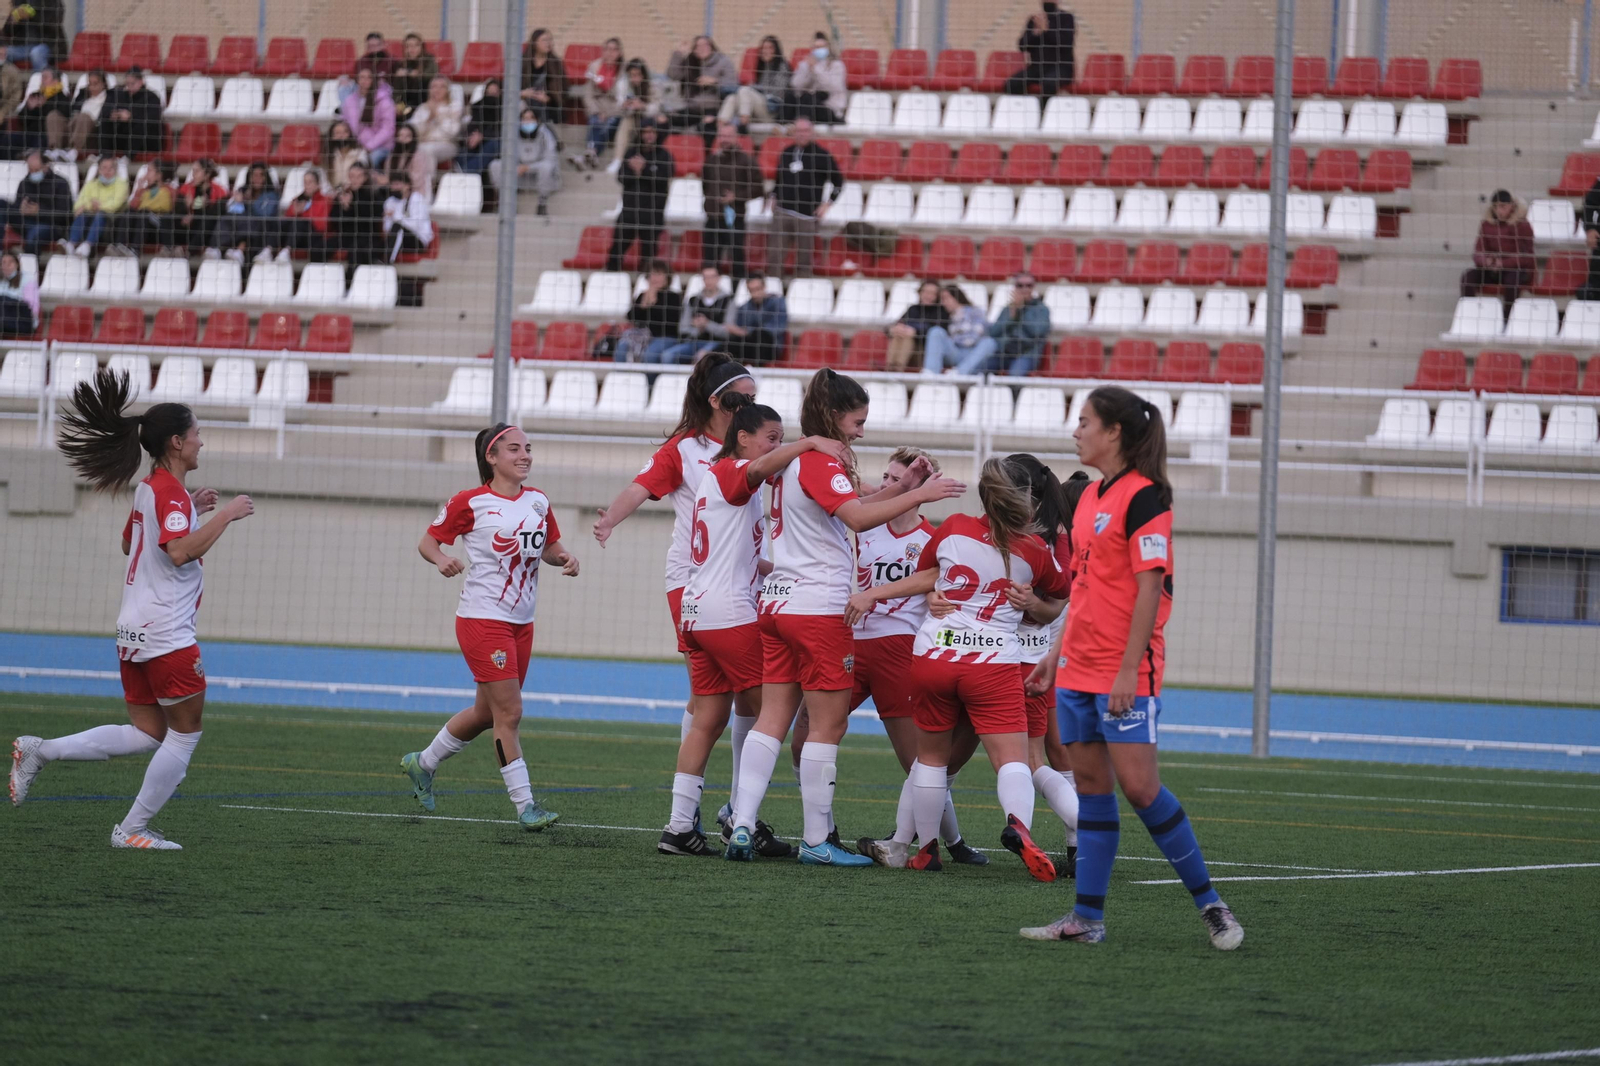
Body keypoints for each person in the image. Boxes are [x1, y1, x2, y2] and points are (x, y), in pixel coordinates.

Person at [1020, 385, 1244, 950]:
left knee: (1143, 791)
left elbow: (1150, 588)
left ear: (1113, 432)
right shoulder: (1091, 496)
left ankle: (1212, 905)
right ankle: (1086, 920)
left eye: (1084, 421)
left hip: (1123, 675)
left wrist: (1126, 671)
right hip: (1074, 672)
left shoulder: (1147, 498)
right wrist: (1054, 656)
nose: (1077, 431)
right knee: (1093, 794)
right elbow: (1086, 589)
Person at [724, 368, 965, 866]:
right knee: (826, 727)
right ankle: (817, 841)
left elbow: (847, 505)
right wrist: (919, 495)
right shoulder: (821, 459)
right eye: (857, 421)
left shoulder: (792, 460)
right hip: (818, 608)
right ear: (835, 416)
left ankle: (741, 824)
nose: (861, 431)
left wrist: (907, 486)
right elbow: (854, 517)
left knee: (772, 719)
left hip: (779, 602)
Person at [11, 369, 254, 849]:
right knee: (184, 736)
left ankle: (40, 751)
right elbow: (179, 551)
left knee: (148, 733)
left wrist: (191, 506)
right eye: (198, 435)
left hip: (133, 630)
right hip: (166, 633)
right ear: (178, 442)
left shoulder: (153, 488)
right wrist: (225, 514)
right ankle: (132, 830)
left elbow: (131, 542)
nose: (202, 443)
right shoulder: (167, 493)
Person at [845, 456, 1070, 879]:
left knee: (930, 760)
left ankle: (924, 849)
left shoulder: (952, 528)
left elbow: (932, 573)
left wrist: (880, 593)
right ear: (1024, 500)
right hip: (993, 664)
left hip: (935, 655)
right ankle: (1019, 826)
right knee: (1014, 760)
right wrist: (1033, 604)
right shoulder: (1036, 550)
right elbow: (1057, 602)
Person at [661, 405, 846, 855]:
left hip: (697, 608)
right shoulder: (730, 469)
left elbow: (743, 553)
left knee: (710, 719)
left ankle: (680, 827)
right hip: (729, 611)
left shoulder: (717, 479)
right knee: (773, 716)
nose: (777, 446)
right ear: (742, 437)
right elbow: (760, 467)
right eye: (772, 436)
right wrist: (809, 443)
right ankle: (738, 814)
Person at [593, 356, 763, 844]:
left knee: (710, 702)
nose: (751, 407)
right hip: (700, 582)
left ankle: (687, 821)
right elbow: (640, 486)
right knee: (760, 701)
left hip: (740, 580)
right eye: (742, 399)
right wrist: (609, 520)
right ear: (716, 401)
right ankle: (738, 810)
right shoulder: (687, 450)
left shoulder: (752, 445)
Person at [401, 423, 579, 830]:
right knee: (510, 712)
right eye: (514, 449)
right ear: (491, 457)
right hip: (483, 620)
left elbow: (549, 547)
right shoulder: (470, 502)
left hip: (522, 623)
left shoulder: (538, 501)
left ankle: (422, 763)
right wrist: (441, 558)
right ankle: (525, 806)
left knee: (487, 712)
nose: (525, 456)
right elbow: (428, 542)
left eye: (528, 448)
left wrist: (565, 557)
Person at [849, 449, 988, 869]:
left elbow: (939, 584)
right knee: (804, 737)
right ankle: (818, 834)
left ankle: (951, 841)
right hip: (851, 645)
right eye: (887, 477)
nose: (890, 485)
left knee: (920, 762)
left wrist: (936, 598)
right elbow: (852, 490)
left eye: (899, 478)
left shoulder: (935, 539)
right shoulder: (861, 525)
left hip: (898, 653)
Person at [766, 117, 841, 279]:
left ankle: (801, 291)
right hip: (782, 212)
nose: (802, 134)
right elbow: (779, 178)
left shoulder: (822, 155)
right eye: (798, 131)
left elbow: (838, 182)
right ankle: (773, 288)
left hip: (807, 215)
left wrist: (827, 204)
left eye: (805, 131)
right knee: (775, 256)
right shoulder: (786, 153)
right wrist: (773, 195)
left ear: (812, 133)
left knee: (804, 260)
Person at [604, 118, 673, 273]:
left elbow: (663, 179)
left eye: (652, 132)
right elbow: (621, 177)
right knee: (616, 249)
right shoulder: (631, 152)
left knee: (649, 254)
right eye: (646, 132)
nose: (649, 135)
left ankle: (646, 283)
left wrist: (644, 170)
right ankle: (611, 278)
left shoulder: (664, 156)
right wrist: (636, 172)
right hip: (629, 211)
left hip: (652, 213)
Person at [701, 122, 763, 279]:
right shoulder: (711, 160)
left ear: (736, 138)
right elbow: (705, 184)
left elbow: (758, 188)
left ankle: (737, 290)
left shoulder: (746, 161)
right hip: (713, 216)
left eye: (728, 135)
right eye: (722, 135)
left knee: (736, 256)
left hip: (735, 217)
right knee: (710, 258)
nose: (725, 139)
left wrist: (736, 196)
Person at [1460, 189, 1534, 309]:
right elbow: (1478, 250)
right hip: (1492, 269)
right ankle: (1470, 312)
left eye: (1503, 206)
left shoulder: (1522, 225)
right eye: (1495, 207)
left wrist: (1503, 263)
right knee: (1468, 277)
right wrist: (1486, 261)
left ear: (1511, 206)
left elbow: (1527, 257)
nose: (1499, 211)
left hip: (1515, 269)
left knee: (1512, 282)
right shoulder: (1487, 225)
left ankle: (1507, 318)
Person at [969, 273, 1050, 376]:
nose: (1024, 289)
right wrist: (1012, 316)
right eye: (1020, 285)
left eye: (1028, 285)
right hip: (1005, 352)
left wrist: (1021, 310)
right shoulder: (1009, 309)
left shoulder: (1041, 309)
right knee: (979, 371)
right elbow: (993, 332)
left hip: (1027, 354)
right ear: (1015, 287)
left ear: (1034, 287)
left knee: (1015, 376)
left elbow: (1037, 331)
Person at [489, 106, 560, 217]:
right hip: (519, 174)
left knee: (546, 167)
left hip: (539, 175)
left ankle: (542, 202)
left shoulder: (545, 134)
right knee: (495, 165)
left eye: (531, 118)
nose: (527, 121)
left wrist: (528, 167)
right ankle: (506, 202)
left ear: (537, 120)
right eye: (524, 118)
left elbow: (551, 159)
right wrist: (517, 167)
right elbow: (507, 155)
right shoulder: (513, 134)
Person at [0, 147, 71, 253]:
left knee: (34, 235)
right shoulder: (25, 182)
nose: (33, 173)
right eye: (30, 170)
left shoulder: (60, 183)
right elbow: (16, 205)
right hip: (26, 222)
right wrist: (20, 209)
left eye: (36, 170)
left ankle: (30, 266)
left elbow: (65, 215)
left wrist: (39, 211)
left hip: (50, 226)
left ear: (46, 167)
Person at [667, 36, 736, 145]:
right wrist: (678, 54)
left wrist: (714, 81)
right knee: (665, 120)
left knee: (706, 128)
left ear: (712, 47)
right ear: (694, 50)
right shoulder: (691, 62)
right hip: (693, 108)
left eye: (705, 45)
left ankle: (707, 158)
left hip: (714, 108)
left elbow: (732, 84)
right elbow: (673, 75)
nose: (702, 48)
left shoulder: (723, 61)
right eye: (698, 46)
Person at [208, 161, 278, 264]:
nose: (257, 179)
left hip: (261, 228)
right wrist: (237, 202)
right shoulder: (243, 190)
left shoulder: (271, 195)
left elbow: (265, 214)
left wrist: (248, 203)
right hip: (240, 224)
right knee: (226, 218)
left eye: (260, 176)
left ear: (265, 178)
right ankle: (216, 249)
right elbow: (232, 211)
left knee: (249, 221)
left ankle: (240, 250)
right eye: (254, 175)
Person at [662, 265, 732, 363]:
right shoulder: (693, 300)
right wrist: (698, 329)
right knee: (668, 355)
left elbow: (728, 331)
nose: (709, 280)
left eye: (712, 277)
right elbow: (682, 328)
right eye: (705, 277)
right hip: (693, 341)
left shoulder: (728, 300)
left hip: (717, 343)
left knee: (702, 357)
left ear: (718, 278)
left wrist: (707, 324)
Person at [62, 154, 127, 257]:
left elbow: (115, 205)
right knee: (82, 214)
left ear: (116, 170)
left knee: (100, 214)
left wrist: (97, 206)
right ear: (99, 170)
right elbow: (79, 203)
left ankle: (87, 245)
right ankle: (71, 244)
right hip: (89, 220)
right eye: (104, 168)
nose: (107, 171)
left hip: (110, 224)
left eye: (111, 168)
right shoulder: (91, 184)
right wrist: (90, 206)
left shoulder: (122, 185)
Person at [1006, 1, 1075, 97]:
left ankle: (1043, 110)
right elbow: (1022, 46)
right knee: (1013, 83)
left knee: (1049, 83)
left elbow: (1066, 43)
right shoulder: (1035, 19)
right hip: (1037, 68)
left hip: (1060, 68)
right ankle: (1026, 108)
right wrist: (1035, 33)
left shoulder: (1066, 18)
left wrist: (1046, 30)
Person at [572, 37, 623, 169]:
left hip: (615, 111)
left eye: (614, 50)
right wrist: (597, 111)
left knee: (607, 124)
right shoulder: (594, 66)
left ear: (620, 52)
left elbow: (623, 99)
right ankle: (592, 153)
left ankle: (589, 153)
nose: (610, 53)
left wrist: (608, 113)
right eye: (607, 49)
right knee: (596, 120)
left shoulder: (624, 71)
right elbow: (587, 94)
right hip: (598, 108)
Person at [619, 259, 684, 362]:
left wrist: (653, 304)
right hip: (643, 336)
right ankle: (620, 377)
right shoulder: (643, 295)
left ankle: (649, 378)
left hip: (665, 337)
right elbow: (630, 317)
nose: (655, 278)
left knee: (650, 353)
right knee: (621, 347)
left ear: (667, 277)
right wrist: (643, 305)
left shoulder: (674, 297)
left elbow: (671, 321)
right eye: (653, 274)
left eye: (659, 274)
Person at [107, 158, 175, 256]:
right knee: (129, 212)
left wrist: (144, 207)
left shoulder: (169, 190)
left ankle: (135, 250)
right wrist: (138, 190)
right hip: (143, 224)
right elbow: (133, 207)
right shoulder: (143, 191)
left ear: (159, 175)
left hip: (158, 227)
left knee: (144, 213)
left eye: (149, 171)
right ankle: (119, 245)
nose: (145, 175)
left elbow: (164, 207)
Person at [407, 75, 464, 189]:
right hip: (422, 144)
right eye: (434, 86)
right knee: (412, 150)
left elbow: (452, 132)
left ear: (447, 90)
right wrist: (428, 119)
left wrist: (436, 116)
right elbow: (412, 131)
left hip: (447, 145)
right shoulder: (423, 108)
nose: (437, 90)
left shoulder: (454, 106)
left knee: (426, 150)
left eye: (441, 87)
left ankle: (426, 189)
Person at [719, 35, 788, 128]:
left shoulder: (782, 66)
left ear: (776, 50)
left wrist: (754, 88)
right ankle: (720, 127)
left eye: (770, 48)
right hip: (757, 107)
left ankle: (743, 126)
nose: (765, 51)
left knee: (745, 90)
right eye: (763, 48)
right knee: (732, 97)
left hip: (771, 110)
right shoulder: (762, 67)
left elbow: (777, 91)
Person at [923, 285, 993, 374]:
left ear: (956, 297)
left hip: (974, 354)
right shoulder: (946, 316)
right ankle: (930, 372)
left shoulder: (976, 312)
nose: (944, 303)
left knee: (989, 343)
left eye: (946, 298)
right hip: (956, 353)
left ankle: (960, 373)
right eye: (942, 300)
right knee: (936, 331)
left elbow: (972, 339)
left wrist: (956, 337)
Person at [607, 59, 659, 175]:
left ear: (643, 75)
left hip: (650, 119)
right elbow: (618, 107)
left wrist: (643, 106)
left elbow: (657, 108)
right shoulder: (623, 85)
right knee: (626, 122)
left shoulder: (653, 85)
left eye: (637, 75)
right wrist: (625, 106)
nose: (634, 78)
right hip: (631, 117)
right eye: (632, 75)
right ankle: (618, 159)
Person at [328, 160, 385, 266]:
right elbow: (334, 221)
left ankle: (351, 281)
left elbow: (371, 221)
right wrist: (344, 208)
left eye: (358, 176)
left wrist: (351, 205)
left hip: (368, 237)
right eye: (352, 176)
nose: (355, 180)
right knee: (320, 247)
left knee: (356, 250)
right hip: (346, 236)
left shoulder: (374, 196)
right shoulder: (343, 195)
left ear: (365, 177)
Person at [98, 66, 162, 158]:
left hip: (144, 139)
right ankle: (104, 155)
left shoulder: (151, 97)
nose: (129, 87)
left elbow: (153, 118)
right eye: (127, 84)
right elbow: (104, 111)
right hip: (123, 135)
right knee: (105, 123)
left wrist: (131, 117)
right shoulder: (119, 95)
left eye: (132, 84)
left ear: (141, 82)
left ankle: (127, 158)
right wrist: (113, 114)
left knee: (140, 125)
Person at [887, 280, 949, 371]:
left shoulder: (941, 312)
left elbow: (939, 333)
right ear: (920, 292)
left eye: (932, 293)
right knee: (898, 335)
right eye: (925, 292)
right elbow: (899, 323)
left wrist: (915, 332)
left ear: (937, 296)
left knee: (907, 338)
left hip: (925, 353)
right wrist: (894, 329)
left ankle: (896, 369)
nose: (928, 295)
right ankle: (891, 366)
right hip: (905, 349)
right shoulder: (913, 309)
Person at [785, 33, 847, 124]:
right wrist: (808, 70)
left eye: (822, 47)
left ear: (828, 48)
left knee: (810, 98)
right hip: (806, 105)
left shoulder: (837, 65)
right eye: (816, 47)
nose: (819, 50)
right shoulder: (805, 64)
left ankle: (799, 125)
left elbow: (832, 88)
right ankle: (782, 126)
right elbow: (795, 85)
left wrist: (816, 69)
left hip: (829, 107)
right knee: (791, 97)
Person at [272, 167, 330, 262]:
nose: (307, 186)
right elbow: (287, 222)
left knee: (300, 222)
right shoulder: (298, 200)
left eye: (310, 182)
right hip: (296, 236)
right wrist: (295, 212)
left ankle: (287, 251)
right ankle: (268, 249)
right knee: (280, 222)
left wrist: (303, 213)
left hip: (313, 237)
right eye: (305, 183)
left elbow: (321, 226)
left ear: (318, 184)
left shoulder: (325, 200)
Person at [342, 67, 396, 170]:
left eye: (368, 78)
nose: (364, 80)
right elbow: (346, 123)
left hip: (381, 146)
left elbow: (388, 129)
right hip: (358, 144)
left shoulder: (384, 101)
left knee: (370, 159)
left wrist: (369, 146)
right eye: (362, 77)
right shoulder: (350, 100)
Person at [724, 275, 786, 364]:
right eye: (752, 290)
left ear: (764, 287)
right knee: (732, 342)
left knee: (761, 336)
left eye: (758, 289)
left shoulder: (778, 302)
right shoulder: (744, 307)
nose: (755, 293)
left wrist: (748, 331)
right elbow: (739, 329)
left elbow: (777, 328)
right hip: (749, 344)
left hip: (770, 346)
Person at [172, 159, 229, 255]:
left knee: (208, 218)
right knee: (170, 217)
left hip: (206, 232)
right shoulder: (185, 188)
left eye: (197, 171)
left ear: (207, 174)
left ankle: (189, 251)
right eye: (193, 171)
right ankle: (172, 247)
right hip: (187, 228)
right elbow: (177, 209)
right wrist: (186, 207)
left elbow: (219, 212)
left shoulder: (219, 191)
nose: (193, 174)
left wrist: (196, 209)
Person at [381, 171, 432, 262]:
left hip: (417, 239)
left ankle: (387, 262)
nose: (394, 188)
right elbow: (387, 228)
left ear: (407, 186)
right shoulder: (390, 202)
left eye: (397, 184)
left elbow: (415, 226)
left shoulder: (417, 199)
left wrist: (395, 216)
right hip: (396, 239)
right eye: (392, 185)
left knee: (398, 228)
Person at [520, 28, 564, 125]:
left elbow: (563, 90)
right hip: (523, 100)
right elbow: (510, 86)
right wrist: (522, 93)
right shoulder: (522, 62)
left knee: (540, 107)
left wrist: (548, 98)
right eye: (544, 40)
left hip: (547, 105)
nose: (548, 43)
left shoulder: (556, 63)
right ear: (534, 43)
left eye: (550, 40)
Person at [389, 33, 438, 118]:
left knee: (421, 82)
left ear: (421, 47)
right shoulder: (401, 64)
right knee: (396, 113)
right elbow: (397, 91)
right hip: (406, 104)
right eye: (408, 46)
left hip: (424, 101)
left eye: (415, 46)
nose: (412, 49)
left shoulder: (429, 60)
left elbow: (429, 76)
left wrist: (409, 73)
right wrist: (398, 105)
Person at [63, 68, 109, 158]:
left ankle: (74, 150)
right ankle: (55, 150)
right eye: (90, 84)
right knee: (54, 117)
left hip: (93, 129)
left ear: (103, 84)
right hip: (74, 124)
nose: (92, 87)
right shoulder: (83, 96)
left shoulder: (110, 98)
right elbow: (72, 111)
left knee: (83, 117)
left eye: (95, 84)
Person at [1, 0, 53, 72]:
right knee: (3, 52)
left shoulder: (51, 2)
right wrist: (12, 21)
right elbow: (7, 32)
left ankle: (38, 82)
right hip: (21, 48)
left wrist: (33, 16)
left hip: (46, 46)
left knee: (36, 54)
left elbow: (54, 25)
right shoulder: (19, 2)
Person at [0, 248, 38, 337]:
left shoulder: (28, 280)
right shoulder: (1, 282)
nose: (6, 266)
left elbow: (33, 309)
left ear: (17, 264)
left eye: (10, 262)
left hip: (22, 322)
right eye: (3, 263)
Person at [325, 119, 367, 189]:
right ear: (332, 137)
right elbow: (325, 182)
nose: (341, 136)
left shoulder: (360, 154)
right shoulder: (329, 156)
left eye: (345, 132)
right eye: (337, 133)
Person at [469, 77, 503, 158]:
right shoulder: (478, 107)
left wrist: (483, 136)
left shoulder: (505, 110)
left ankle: (467, 169)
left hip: (495, 141)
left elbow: (503, 132)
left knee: (493, 145)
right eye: (489, 93)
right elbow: (473, 125)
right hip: (478, 141)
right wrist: (473, 135)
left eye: (495, 94)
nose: (491, 97)